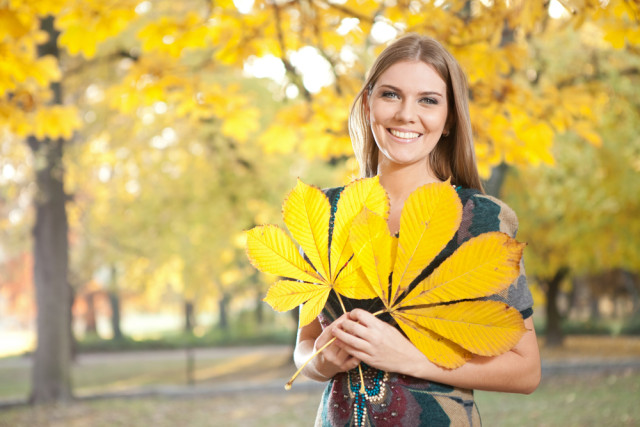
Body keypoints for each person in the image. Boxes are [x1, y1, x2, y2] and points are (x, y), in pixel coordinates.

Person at [293, 34, 541, 427]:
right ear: (367, 104)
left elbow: (525, 371)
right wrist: (321, 362)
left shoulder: (479, 218)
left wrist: (410, 359)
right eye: (391, 95)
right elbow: (303, 346)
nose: (406, 114)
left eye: (428, 100)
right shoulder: (327, 211)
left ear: (448, 121)